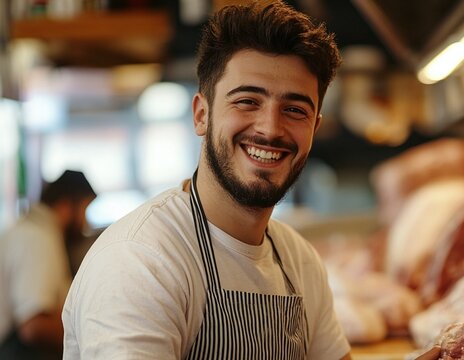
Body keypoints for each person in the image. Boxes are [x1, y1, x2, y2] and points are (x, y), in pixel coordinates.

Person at [62, 2, 350, 359]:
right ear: (202, 115)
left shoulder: (298, 260)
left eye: (294, 110)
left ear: (314, 129)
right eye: (247, 101)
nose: (271, 129)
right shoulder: (141, 260)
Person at [0, 170, 96, 359]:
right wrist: (88, 337)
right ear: (65, 206)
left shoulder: (31, 230)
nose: (86, 223)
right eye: (85, 210)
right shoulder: (38, 238)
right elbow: (33, 326)